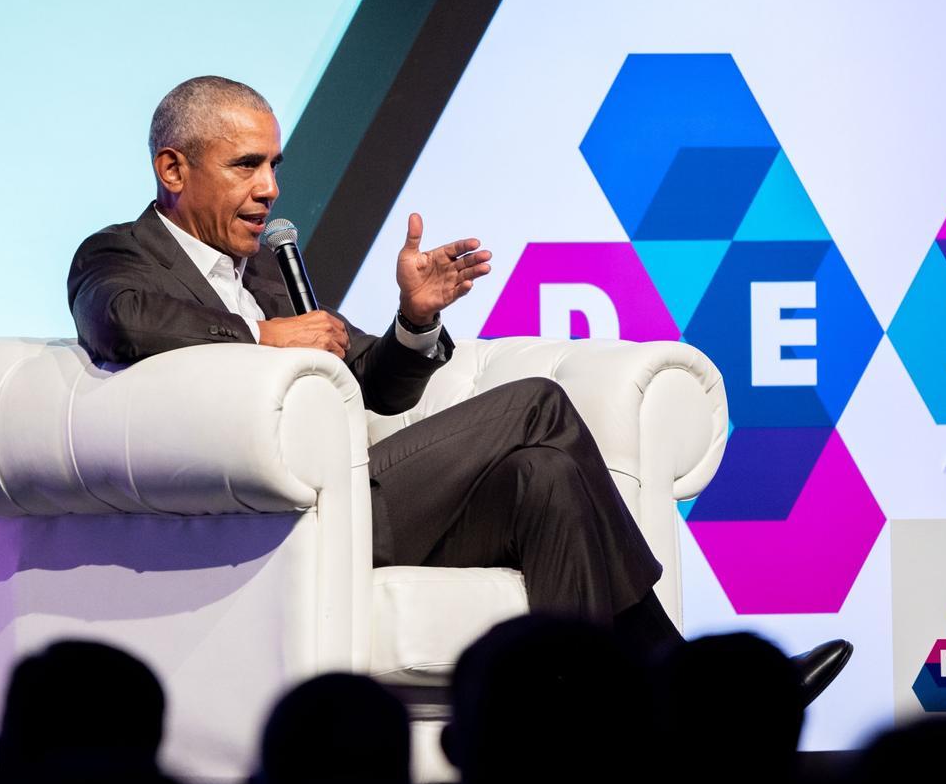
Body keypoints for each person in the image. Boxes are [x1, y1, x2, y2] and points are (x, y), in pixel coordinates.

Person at [67, 76, 850, 693]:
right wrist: (259, 338)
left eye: (275, 164)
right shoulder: (120, 256)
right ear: (173, 168)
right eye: (247, 165)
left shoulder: (270, 271)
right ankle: (682, 677)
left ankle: (586, 729)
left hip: (353, 498)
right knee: (539, 404)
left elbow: (368, 383)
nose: (271, 187)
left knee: (543, 476)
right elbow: (121, 321)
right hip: (290, 519)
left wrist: (413, 319)